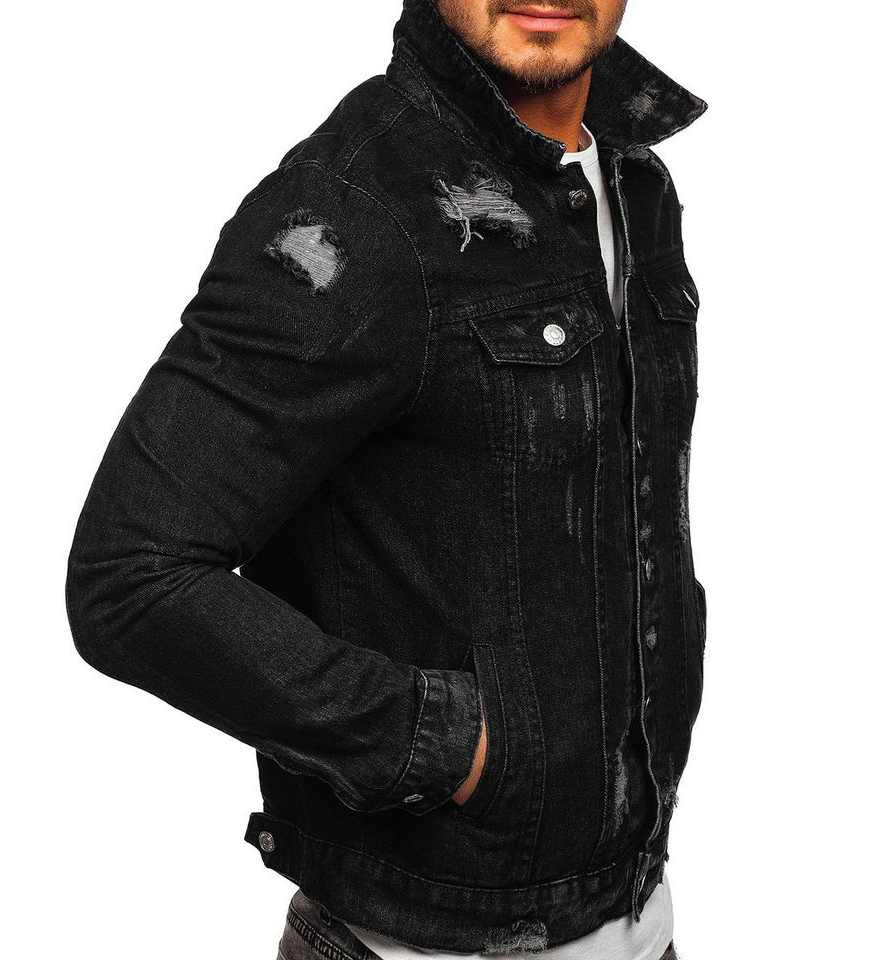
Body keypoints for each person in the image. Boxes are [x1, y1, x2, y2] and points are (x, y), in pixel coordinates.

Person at [64, 0, 708, 956]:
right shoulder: (357, 208)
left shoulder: (628, 174)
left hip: (642, 913)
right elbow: (129, 575)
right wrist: (447, 743)